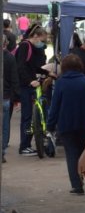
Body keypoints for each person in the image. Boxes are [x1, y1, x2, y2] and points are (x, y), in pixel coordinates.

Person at [46, 54, 85, 195]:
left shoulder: (61, 82)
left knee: (71, 154)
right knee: (83, 153)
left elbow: (55, 106)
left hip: (66, 124)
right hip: (84, 124)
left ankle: (77, 185)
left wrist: (50, 125)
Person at [16, 24, 48, 156]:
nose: (42, 44)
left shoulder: (29, 47)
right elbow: (21, 67)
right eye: (42, 40)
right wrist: (30, 81)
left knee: (29, 116)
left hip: (28, 85)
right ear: (35, 36)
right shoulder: (25, 46)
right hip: (25, 86)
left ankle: (27, 144)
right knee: (27, 117)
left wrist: (47, 72)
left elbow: (33, 67)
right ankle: (24, 146)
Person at [3, 36, 19, 163]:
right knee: (4, 125)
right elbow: (14, 78)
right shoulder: (10, 57)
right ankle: (2, 151)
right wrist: (17, 96)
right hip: (5, 96)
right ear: (6, 43)